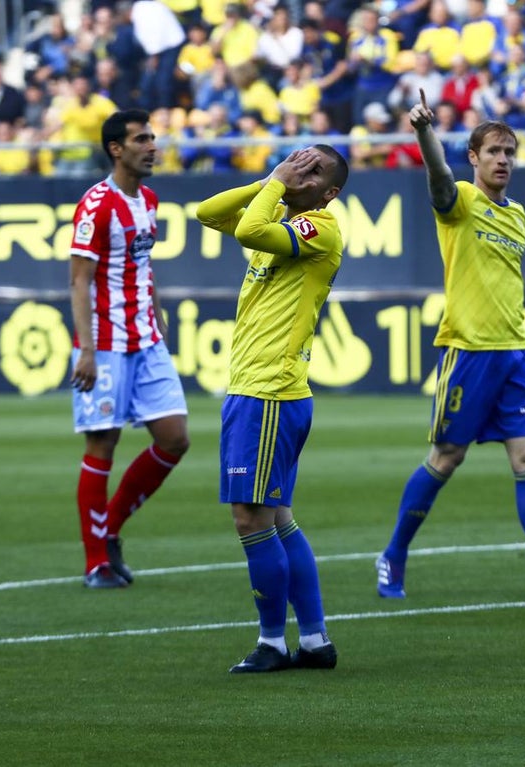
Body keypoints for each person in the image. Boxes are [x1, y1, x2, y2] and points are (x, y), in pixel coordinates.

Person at [375, 89, 525, 601]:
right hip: (469, 351)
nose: (503, 161)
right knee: (447, 457)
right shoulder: (460, 203)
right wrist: (426, 131)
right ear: (473, 158)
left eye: (509, 153)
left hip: (516, 352)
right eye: (493, 152)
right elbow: (437, 178)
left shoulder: (515, 214)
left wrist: (524, 343)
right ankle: (393, 553)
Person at [195, 145, 348, 673]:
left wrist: (277, 184)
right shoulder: (278, 218)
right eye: (297, 163)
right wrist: (271, 178)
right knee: (279, 519)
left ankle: (271, 644)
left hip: (269, 395)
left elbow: (246, 231)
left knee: (250, 519)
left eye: (314, 172)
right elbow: (208, 212)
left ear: (329, 193)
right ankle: (313, 639)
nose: (301, 174)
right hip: (261, 393)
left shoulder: (319, 228)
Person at [68, 108, 190, 589]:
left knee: (175, 438)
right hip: (107, 344)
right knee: (103, 442)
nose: (152, 146)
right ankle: (96, 560)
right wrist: (86, 350)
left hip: (147, 338)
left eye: (153, 137)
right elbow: (79, 281)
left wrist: (156, 310)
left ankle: (111, 528)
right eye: (141, 139)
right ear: (116, 149)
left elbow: (143, 264)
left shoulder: (150, 200)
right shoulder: (96, 205)